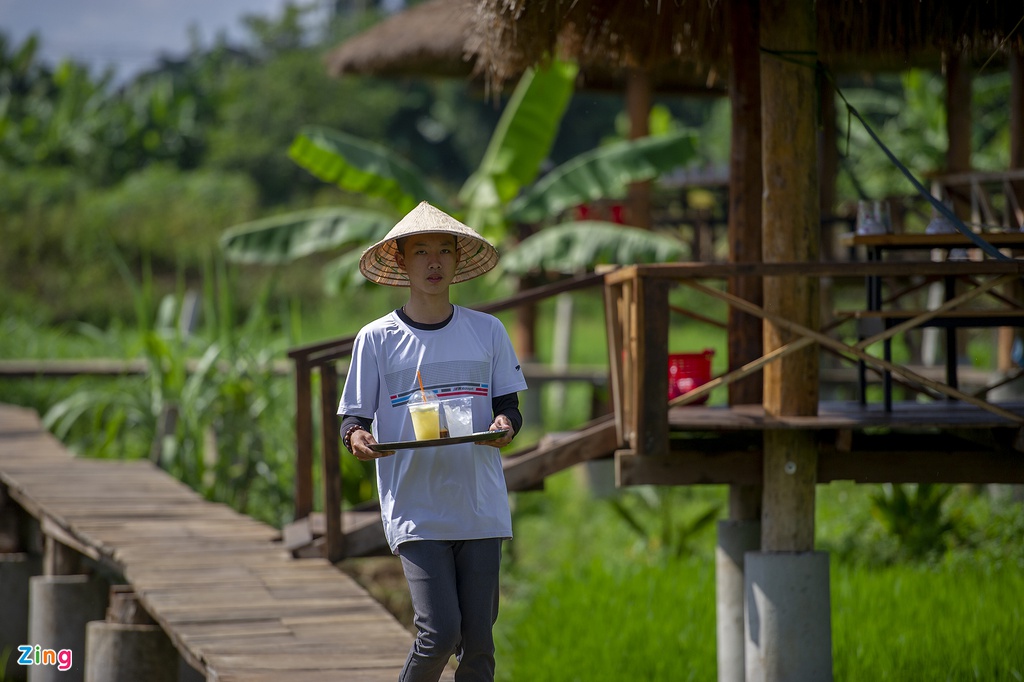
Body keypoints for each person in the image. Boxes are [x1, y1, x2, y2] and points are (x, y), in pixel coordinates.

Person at [338, 201, 527, 682]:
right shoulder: (376, 339)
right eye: (421, 252)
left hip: (480, 506)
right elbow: (353, 420)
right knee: (439, 633)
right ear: (401, 261)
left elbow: (509, 407)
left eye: (445, 250)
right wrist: (359, 438)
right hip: (416, 508)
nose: (435, 262)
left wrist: (505, 427)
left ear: (459, 260)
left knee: (480, 646)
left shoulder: (487, 331)